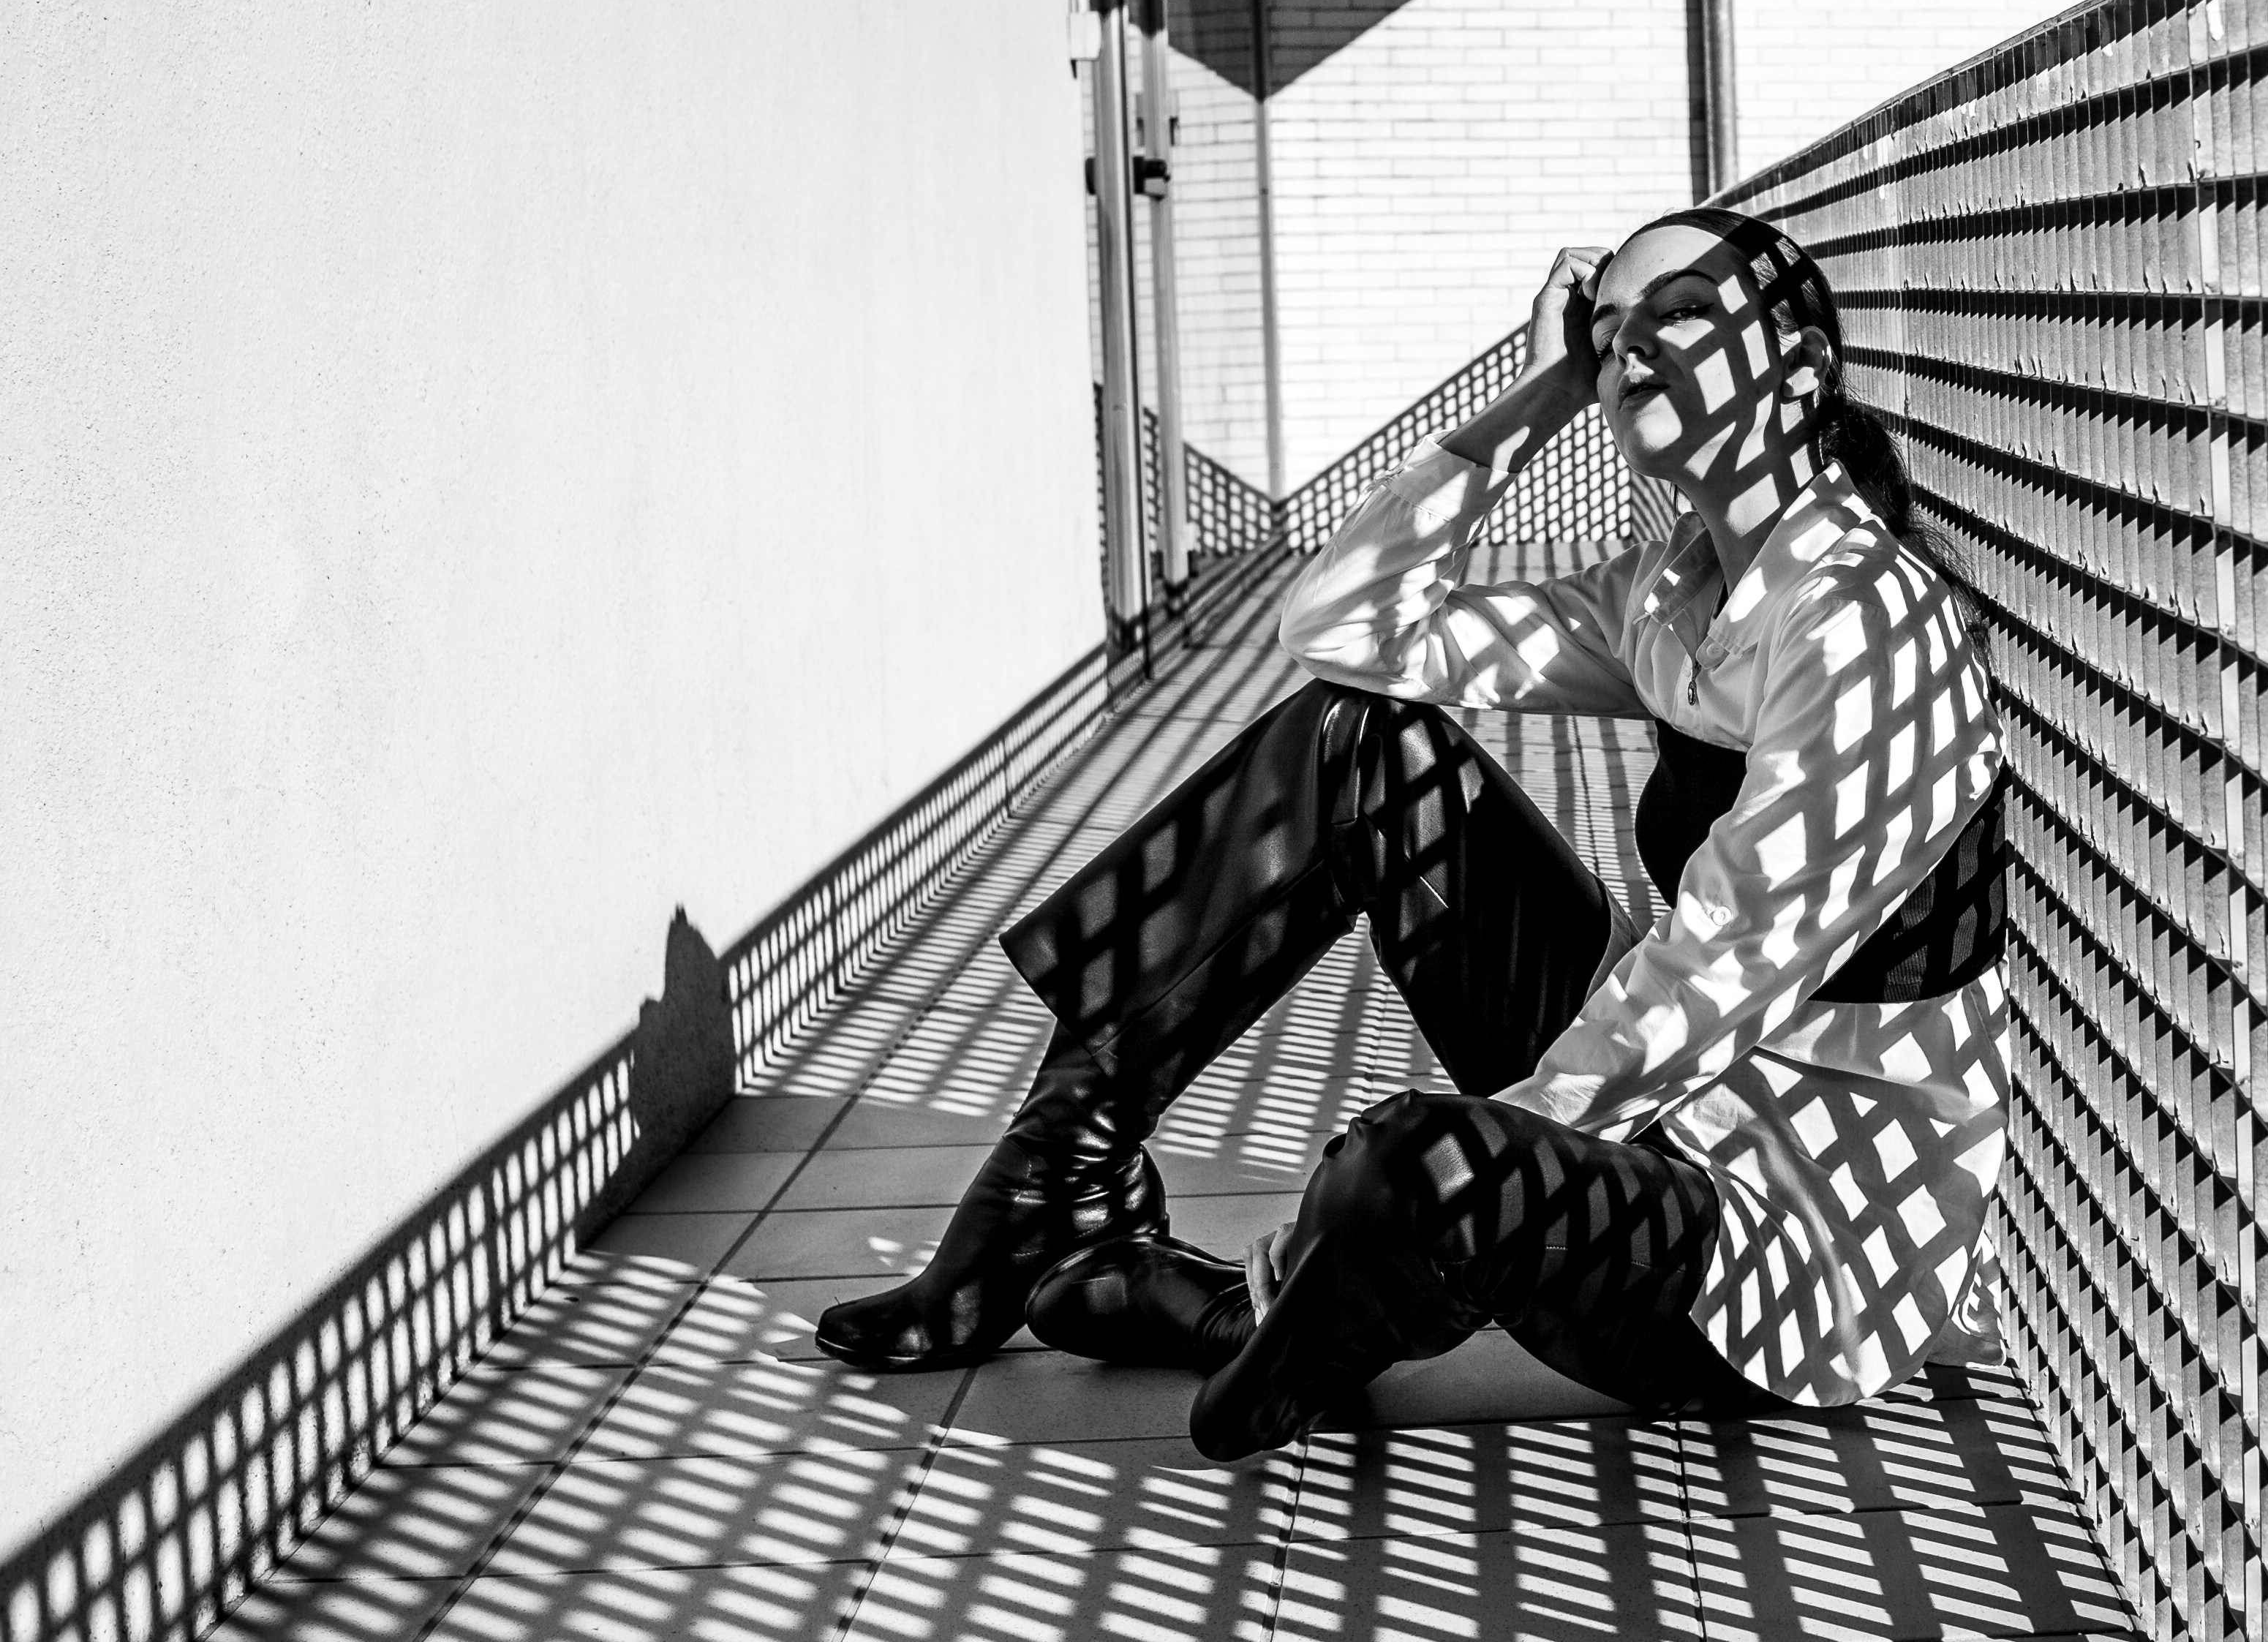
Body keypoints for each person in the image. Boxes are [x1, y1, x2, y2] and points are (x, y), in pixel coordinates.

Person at [812, 206, 2010, 1459]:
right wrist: (1527, 406)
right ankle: (1052, 1184)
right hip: (1679, 1114)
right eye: (1609, 333)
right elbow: (1345, 635)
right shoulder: (1675, 594)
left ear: (1800, 370)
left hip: (1782, 1253)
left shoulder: (1864, 625)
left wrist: (1490, 1146)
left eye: (1685, 317)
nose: (1632, 354)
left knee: (1422, 1169)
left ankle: (1253, 1316)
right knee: (1348, 744)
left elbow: (1718, 978)